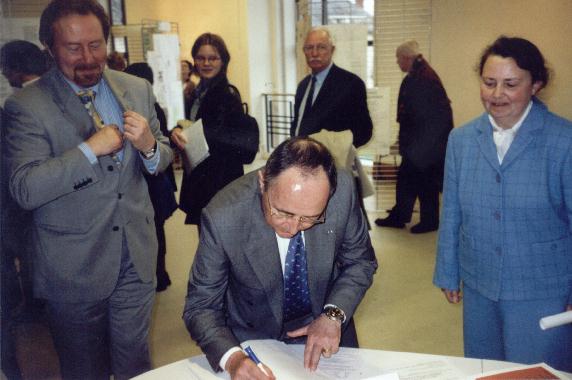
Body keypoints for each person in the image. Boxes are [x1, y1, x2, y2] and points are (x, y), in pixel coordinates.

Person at [3, 0, 173, 378]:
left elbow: (162, 159)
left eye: (96, 45)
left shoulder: (136, 88)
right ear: (49, 47)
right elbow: (24, 188)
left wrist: (149, 145)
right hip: (72, 267)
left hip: (136, 256)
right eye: (73, 48)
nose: (88, 57)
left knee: (136, 365)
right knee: (85, 369)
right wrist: (89, 150)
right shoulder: (25, 107)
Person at [183, 137, 378, 379]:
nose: (294, 228)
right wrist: (233, 359)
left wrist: (333, 315)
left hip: (326, 327)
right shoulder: (224, 217)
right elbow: (201, 306)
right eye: (283, 213)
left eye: (310, 218)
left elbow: (360, 262)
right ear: (263, 182)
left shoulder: (342, 191)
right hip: (253, 338)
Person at [433, 36, 572, 371]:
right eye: (489, 82)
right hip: (480, 284)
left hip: (542, 288)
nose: (497, 95)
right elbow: (451, 210)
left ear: (535, 85)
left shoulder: (563, 140)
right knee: (484, 369)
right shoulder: (462, 140)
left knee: (535, 373)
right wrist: (448, 271)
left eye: (510, 84)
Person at [171, 32, 258, 227]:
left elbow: (223, 138)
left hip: (220, 179)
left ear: (223, 61)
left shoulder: (228, 95)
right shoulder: (196, 92)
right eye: (201, 58)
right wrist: (178, 130)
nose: (206, 63)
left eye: (213, 58)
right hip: (201, 175)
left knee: (219, 239)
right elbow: (193, 122)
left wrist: (194, 133)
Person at [292, 27, 373, 227]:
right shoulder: (303, 86)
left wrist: (334, 142)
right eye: (309, 48)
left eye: (321, 47)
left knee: (341, 231)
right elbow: (298, 125)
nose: (315, 53)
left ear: (332, 49)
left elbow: (364, 131)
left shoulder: (350, 84)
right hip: (305, 169)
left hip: (336, 173)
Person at [375, 40, 453, 234]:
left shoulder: (422, 79)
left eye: (397, 58)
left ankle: (425, 220)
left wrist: (417, 149)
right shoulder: (420, 75)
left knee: (423, 182)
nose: (396, 62)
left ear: (407, 58)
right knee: (412, 181)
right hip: (424, 143)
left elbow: (424, 117)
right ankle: (403, 216)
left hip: (424, 144)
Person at [124, 62, 178, 292]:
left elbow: (161, 147)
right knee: (156, 228)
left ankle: (158, 272)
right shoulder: (151, 106)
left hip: (153, 181)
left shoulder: (146, 110)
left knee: (155, 228)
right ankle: (160, 272)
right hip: (154, 182)